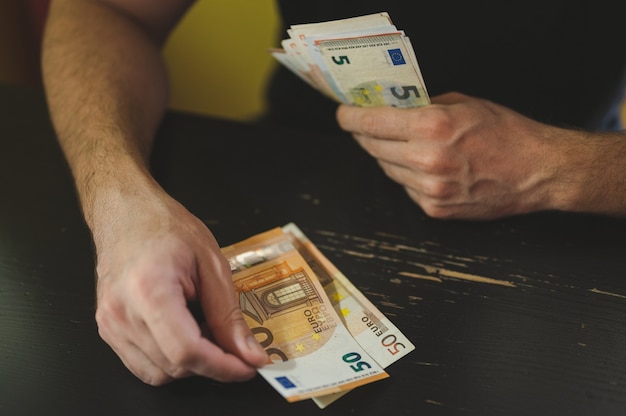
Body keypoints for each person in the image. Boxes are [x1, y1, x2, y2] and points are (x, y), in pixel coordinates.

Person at [41, 0, 625, 386]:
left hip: (570, 239)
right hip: (284, 171)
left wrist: (558, 167)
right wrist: (119, 201)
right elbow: (108, 9)